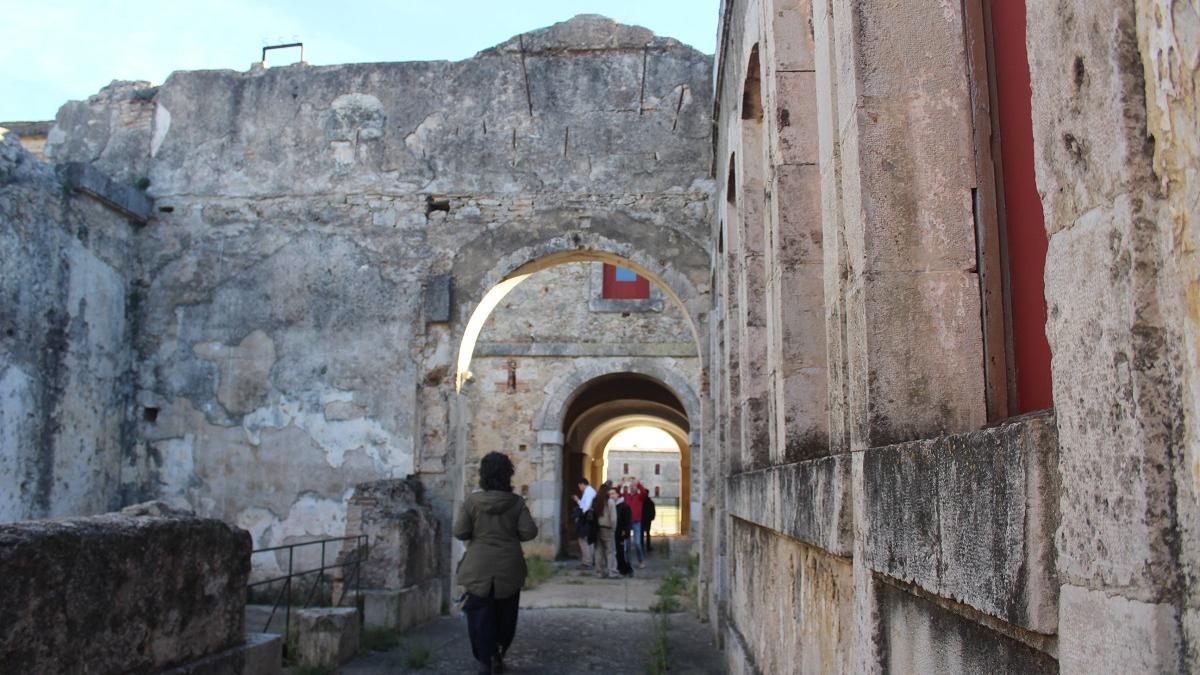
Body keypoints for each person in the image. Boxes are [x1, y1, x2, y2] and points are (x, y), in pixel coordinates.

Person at [453, 452, 539, 674]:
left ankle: (485, 657)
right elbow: (529, 532)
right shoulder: (516, 503)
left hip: (478, 566)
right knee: (506, 613)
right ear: (508, 474)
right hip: (508, 566)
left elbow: (460, 531)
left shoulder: (472, 502)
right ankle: (498, 651)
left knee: (479, 613)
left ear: (483, 474)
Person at [592, 481, 621, 578]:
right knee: (610, 551)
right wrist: (614, 529)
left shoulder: (596, 502)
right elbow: (613, 518)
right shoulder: (610, 502)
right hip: (607, 528)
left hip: (597, 528)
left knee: (598, 551)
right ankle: (612, 572)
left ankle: (599, 572)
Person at [620, 478, 649, 569]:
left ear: (637, 488)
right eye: (631, 486)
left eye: (634, 486)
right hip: (627, 523)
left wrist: (639, 484)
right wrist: (621, 484)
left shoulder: (640, 497)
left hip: (637, 522)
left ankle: (641, 560)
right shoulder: (626, 496)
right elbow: (617, 493)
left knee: (637, 543)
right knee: (626, 545)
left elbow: (644, 493)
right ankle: (627, 562)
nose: (632, 488)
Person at [572, 478, 597, 568]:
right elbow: (584, 505)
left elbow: (586, 507)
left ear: (582, 484)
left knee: (583, 540)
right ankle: (590, 560)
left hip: (586, 520)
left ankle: (587, 561)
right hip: (588, 519)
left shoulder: (589, 492)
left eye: (579, 486)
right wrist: (578, 500)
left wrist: (579, 516)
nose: (579, 488)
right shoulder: (589, 491)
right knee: (588, 540)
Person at [613, 486, 634, 576]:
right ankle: (619, 568)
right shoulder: (611, 505)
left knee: (623, 552)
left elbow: (627, 521)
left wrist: (625, 532)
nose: (611, 496)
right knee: (617, 552)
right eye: (610, 494)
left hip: (622, 533)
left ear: (618, 494)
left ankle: (627, 569)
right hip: (614, 533)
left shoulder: (624, 506)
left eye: (613, 494)